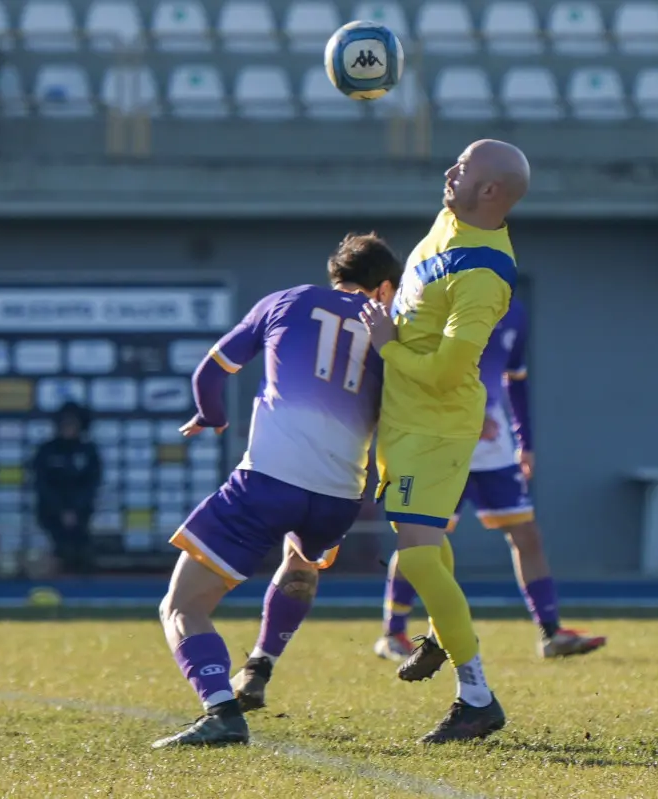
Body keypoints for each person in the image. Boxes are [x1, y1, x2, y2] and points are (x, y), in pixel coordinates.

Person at [152, 233, 402, 749]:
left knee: (181, 607)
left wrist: (211, 416)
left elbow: (211, 372)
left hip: (268, 480)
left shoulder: (288, 301)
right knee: (302, 562)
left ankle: (220, 710)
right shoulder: (392, 332)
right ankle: (260, 665)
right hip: (339, 496)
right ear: (383, 286)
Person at [354, 139, 528, 744]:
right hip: (406, 422)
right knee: (425, 546)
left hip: (436, 426)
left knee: (419, 554)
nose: (449, 171)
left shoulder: (483, 273)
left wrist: (387, 346)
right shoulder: (451, 220)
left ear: (489, 192)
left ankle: (476, 695)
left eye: (463, 168)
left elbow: (452, 371)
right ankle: (441, 633)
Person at [375, 297, 607, 664]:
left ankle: (551, 632)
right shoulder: (445, 302)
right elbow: (427, 371)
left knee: (526, 535)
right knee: (421, 539)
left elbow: (515, 378)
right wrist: (465, 417)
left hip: (492, 446)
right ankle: (393, 632)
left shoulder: (515, 311)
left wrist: (525, 443)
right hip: (443, 438)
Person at [32, 402, 102, 575]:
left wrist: (75, 510)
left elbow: (92, 484)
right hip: (51, 513)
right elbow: (42, 484)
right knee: (58, 551)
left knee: (82, 551)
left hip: (82, 513)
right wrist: (60, 510)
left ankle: (85, 586)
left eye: (73, 425)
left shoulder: (88, 451)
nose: (69, 429)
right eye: (65, 425)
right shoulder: (47, 451)